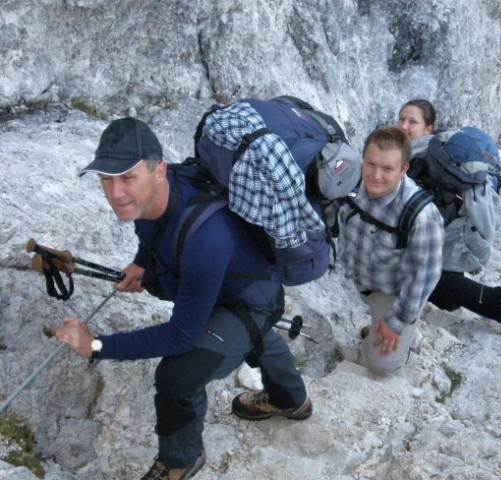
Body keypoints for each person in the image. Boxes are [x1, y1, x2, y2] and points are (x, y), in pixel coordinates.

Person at [54, 118, 312, 480]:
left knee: (178, 375)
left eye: (127, 178)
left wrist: (95, 345)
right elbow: (150, 229)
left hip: (253, 299)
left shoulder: (205, 241)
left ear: (159, 170)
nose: (115, 193)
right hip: (229, 287)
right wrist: (141, 264)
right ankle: (291, 398)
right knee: (237, 332)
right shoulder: (157, 194)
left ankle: (180, 459)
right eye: (106, 179)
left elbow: (180, 337)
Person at [396, 99, 501, 336]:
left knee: (411, 276)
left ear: (429, 129)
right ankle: (496, 300)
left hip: (442, 239)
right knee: (443, 294)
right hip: (443, 240)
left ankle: (499, 301)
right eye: (401, 119)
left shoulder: (430, 161)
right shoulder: (421, 157)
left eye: (412, 121)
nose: (404, 126)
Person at [337, 127, 444, 376]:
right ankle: (382, 322)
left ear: (404, 169)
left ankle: (405, 335)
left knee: (380, 366)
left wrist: (396, 322)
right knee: (379, 327)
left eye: (387, 169)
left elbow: (423, 278)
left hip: (394, 292)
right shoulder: (348, 179)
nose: (376, 175)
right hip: (362, 278)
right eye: (371, 164)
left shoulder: (422, 217)